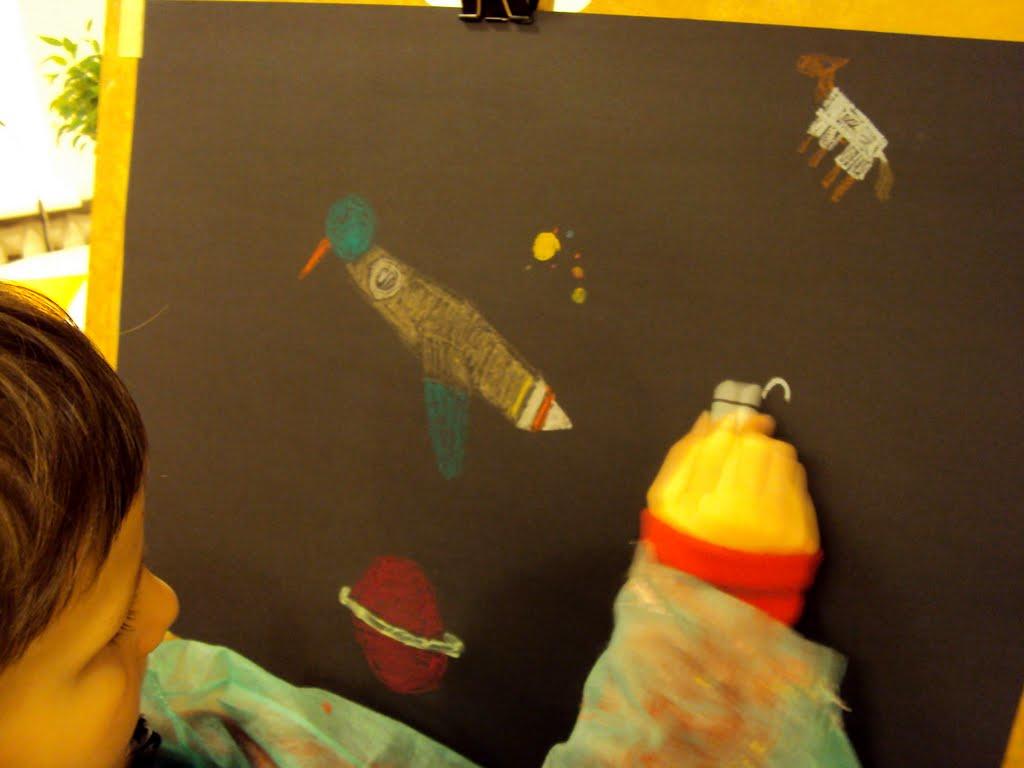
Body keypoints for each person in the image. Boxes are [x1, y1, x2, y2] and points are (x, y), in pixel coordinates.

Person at [0, 282, 859, 767]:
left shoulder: (156, 716)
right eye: (109, 632)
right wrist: (712, 651)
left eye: (140, 571)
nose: (164, 611)